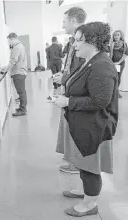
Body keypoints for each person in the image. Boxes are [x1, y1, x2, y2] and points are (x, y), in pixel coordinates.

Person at [53, 21, 118, 217]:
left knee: (90, 167)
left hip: (95, 127)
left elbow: (99, 101)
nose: (74, 44)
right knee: (82, 163)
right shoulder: (90, 61)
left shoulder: (101, 66)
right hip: (84, 124)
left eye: (78, 40)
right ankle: (85, 192)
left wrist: (68, 102)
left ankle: (90, 204)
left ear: (93, 41)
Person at [53, 6, 86, 174]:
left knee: (76, 129)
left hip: (78, 94)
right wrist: (63, 75)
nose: (63, 25)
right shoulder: (73, 41)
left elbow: (82, 71)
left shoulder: (84, 42)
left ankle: (78, 164)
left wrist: (65, 78)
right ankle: (73, 161)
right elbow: (71, 66)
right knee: (69, 127)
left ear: (73, 20)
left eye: (64, 21)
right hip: (70, 91)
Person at [2, 33, 28, 116]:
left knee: (21, 92)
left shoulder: (17, 47)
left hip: (18, 72)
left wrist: (5, 69)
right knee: (22, 92)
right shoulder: (20, 46)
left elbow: (13, 61)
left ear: (13, 39)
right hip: (21, 72)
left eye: (9, 41)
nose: (9, 43)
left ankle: (23, 110)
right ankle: (21, 108)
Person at [110, 30, 128, 98]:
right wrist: (110, 62)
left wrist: (118, 62)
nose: (116, 36)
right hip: (113, 63)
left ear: (120, 36)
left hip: (120, 64)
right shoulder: (112, 44)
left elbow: (125, 54)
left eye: (117, 35)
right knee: (114, 77)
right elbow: (111, 55)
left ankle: (116, 92)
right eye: (115, 35)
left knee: (118, 77)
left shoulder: (124, 44)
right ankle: (114, 92)